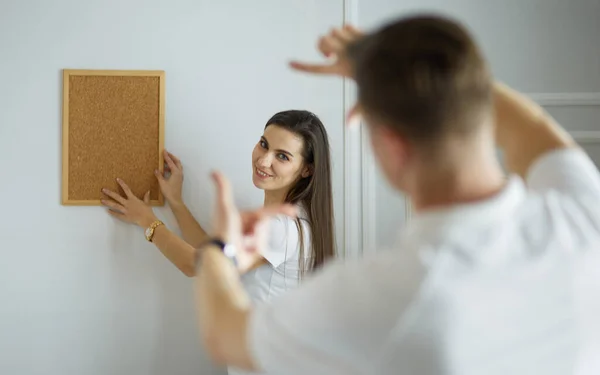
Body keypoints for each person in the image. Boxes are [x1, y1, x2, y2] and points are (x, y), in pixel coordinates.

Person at [192, 13, 600, 375]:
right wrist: (400, 77)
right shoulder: (582, 214)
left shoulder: (387, 295)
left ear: (391, 145)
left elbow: (223, 335)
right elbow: (531, 126)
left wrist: (219, 246)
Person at [100, 110, 336, 374]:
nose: (264, 160)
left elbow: (196, 264)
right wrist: (177, 203)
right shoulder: (289, 220)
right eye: (264, 144)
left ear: (307, 169)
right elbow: (213, 257)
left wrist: (148, 222)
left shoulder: (281, 228)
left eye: (282, 156)